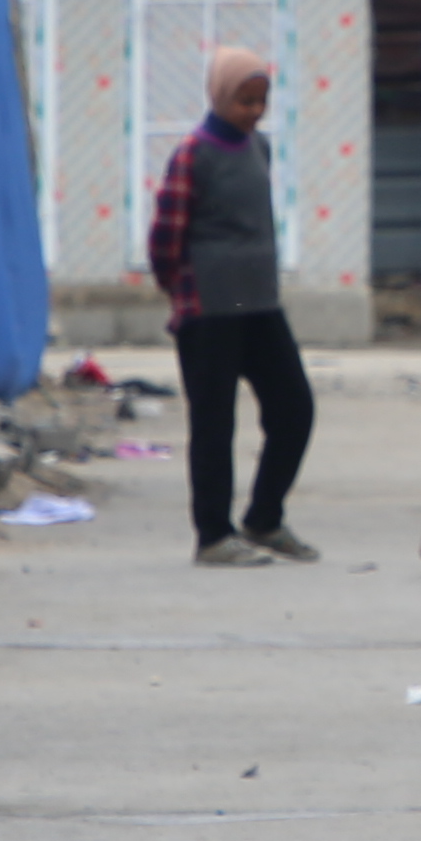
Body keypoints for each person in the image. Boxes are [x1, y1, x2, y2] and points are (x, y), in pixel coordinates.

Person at [144, 44, 319, 567]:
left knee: (294, 408)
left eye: (261, 100)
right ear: (219, 96)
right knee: (215, 423)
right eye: (244, 101)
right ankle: (214, 536)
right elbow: (165, 238)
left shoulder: (258, 149)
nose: (254, 111)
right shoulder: (193, 154)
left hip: (258, 304)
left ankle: (264, 518)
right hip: (209, 310)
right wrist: (182, 293)